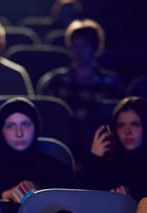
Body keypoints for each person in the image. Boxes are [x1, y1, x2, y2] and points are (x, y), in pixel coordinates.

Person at [39, 19, 124, 160]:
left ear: (96, 48)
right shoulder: (55, 81)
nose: (79, 52)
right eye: (75, 46)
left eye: (84, 46)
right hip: (65, 148)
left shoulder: (112, 82)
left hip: (102, 151)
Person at [0, 96, 74, 202]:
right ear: (1, 130)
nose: (19, 133)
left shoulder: (55, 168)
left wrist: (41, 194)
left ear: (36, 127)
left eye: (26, 124)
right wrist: (4, 196)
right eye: (11, 126)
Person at [79, 96, 147, 201]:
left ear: (146, 127)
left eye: (134, 124)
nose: (127, 131)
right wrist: (94, 158)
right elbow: (82, 200)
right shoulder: (107, 161)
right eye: (121, 125)